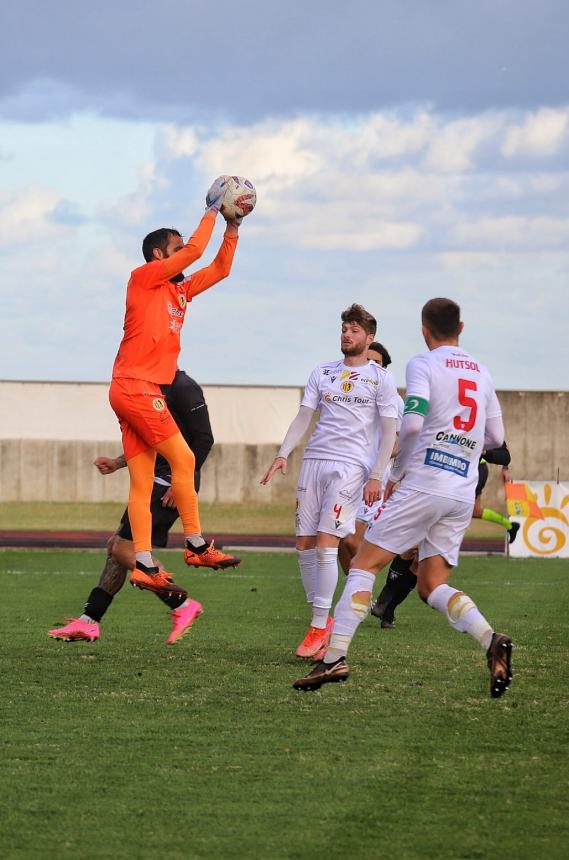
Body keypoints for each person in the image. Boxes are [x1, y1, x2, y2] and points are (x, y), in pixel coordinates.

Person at [293, 298, 513, 699]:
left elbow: (410, 426)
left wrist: (395, 473)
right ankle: (489, 638)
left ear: (424, 330)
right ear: (460, 328)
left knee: (363, 562)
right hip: (461, 491)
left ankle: (334, 658)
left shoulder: (423, 364)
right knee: (431, 585)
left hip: (425, 482)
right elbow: (496, 439)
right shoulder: (482, 371)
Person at [108, 178, 242, 600]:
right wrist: (211, 209)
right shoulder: (144, 277)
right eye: (176, 246)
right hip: (136, 386)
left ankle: (145, 564)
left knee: (142, 483)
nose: (185, 250)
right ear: (157, 255)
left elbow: (219, 268)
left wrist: (233, 227)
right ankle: (197, 544)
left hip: (130, 388)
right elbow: (197, 251)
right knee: (184, 457)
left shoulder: (179, 290)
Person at [49, 371, 240, 644]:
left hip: (171, 485)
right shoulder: (146, 387)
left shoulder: (184, 387)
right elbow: (149, 441)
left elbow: (204, 439)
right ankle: (89, 621)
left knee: (123, 548)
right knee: (116, 546)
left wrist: (180, 482)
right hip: (154, 478)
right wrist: (118, 462)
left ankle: (183, 606)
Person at [260, 305, 398, 660]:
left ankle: (320, 624)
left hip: (350, 467)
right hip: (314, 463)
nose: (346, 334)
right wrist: (283, 453)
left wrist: (377, 474)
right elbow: (303, 417)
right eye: (344, 328)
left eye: (354, 330)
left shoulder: (380, 379)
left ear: (369, 338)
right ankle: (320, 621)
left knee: (327, 542)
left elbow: (388, 432)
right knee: (304, 543)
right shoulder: (322, 373)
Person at [370, 442, 518, 629]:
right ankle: (386, 602)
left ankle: (388, 606)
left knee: (419, 558)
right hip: (436, 481)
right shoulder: (441, 417)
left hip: (464, 482)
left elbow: (504, 454)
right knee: (413, 550)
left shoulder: (483, 421)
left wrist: (485, 452)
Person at [337, 342, 404, 576]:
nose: (372, 367)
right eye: (369, 362)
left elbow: (402, 443)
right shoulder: (349, 395)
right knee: (339, 539)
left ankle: (359, 587)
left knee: (353, 541)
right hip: (347, 474)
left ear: (385, 367)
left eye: (377, 362)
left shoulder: (395, 402)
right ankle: (355, 589)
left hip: (375, 479)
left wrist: (378, 456)